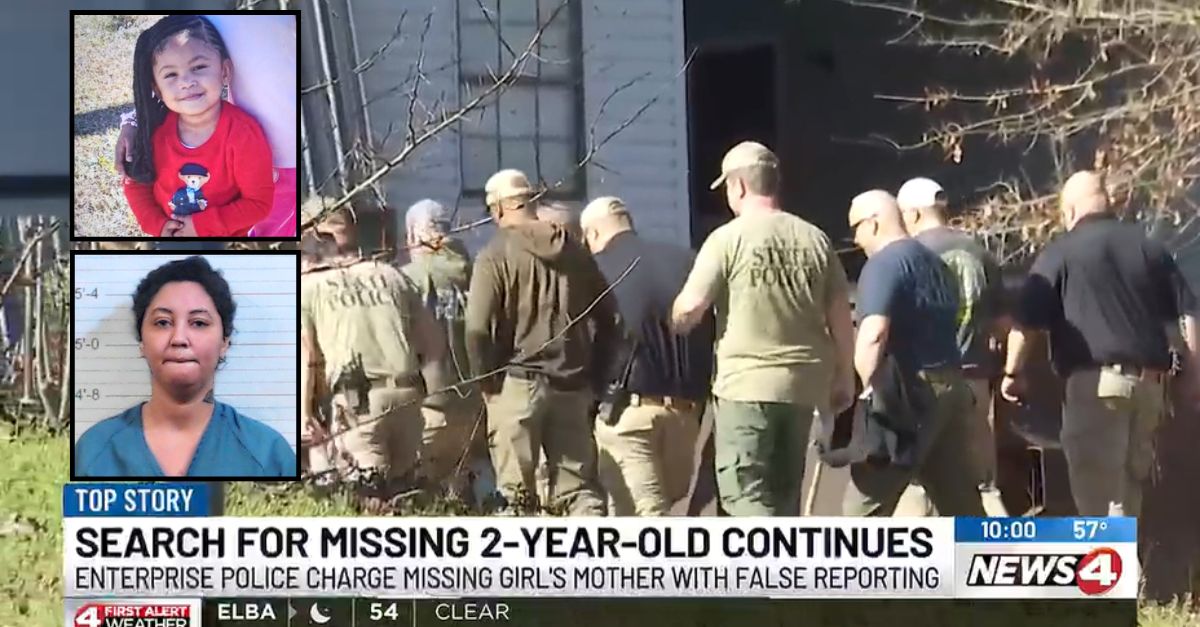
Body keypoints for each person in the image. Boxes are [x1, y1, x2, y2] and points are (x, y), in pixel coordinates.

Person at [671, 141, 855, 516]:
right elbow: (840, 316)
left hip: (747, 384)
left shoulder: (728, 238)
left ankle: (766, 569)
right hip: (804, 386)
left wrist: (675, 321)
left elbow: (691, 306)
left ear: (739, 186)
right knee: (785, 494)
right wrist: (844, 378)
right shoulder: (815, 239)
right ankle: (786, 568)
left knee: (744, 494)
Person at [1001, 171, 1199, 517]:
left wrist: (1013, 372)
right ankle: (1130, 569)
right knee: (1126, 494)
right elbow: (1188, 315)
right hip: (1149, 387)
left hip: (1097, 388)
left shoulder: (1059, 254)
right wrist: (1194, 374)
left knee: (1101, 504)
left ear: (1070, 210)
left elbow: (1027, 324)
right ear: (1108, 202)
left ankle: (1119, 571)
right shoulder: (1149, 247)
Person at [465, 169, 617, 515]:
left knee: (515, 496)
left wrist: (486, 383)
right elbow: (611, 318)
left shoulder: (495, 253)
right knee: (579, 492)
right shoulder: (575, 250)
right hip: (572, 385)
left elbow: (476, 330)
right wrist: (596, 378)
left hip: (516, 385)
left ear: (499, 209)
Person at [75, 256, 294, 478]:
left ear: (224, 342)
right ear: (141, 341)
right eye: (162, 323)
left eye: (199, 323)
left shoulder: (269, 455)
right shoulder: (94, 451)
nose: (179, 338)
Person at [842, 189, 985, 517]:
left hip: (910, 394)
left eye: (857, 227)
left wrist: (859, 398)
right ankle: (989, 564)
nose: (856, 238)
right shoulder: (936, 264)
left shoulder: (884, 265)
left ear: (874, 224)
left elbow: (874, 335)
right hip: (951, 388)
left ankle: (854, 569)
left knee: (862, 510)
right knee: (961, 504)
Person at [300, 196, 445, 506]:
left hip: (359, 406)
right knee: (408, 500)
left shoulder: (311, 288)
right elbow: (433, 344)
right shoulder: (391, 275)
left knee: (369, 503)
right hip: (407, 397)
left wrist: (305, 413)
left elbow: (309, 358)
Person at [580, 196, 714, 516]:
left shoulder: (596, 270)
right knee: (659, 507)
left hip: (627, 415)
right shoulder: (687, 260)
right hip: (685, 414)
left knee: (644, 517)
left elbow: (586, 340)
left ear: (593, 234)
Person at [116, 14, 297, 237]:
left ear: (224, 71)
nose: (186, 82)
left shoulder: (242, 134)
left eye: (199, 67)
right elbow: (137, 182)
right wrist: (157, 225)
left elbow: (257, 204)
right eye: (171, 74)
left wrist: (201, 227)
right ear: (157, 88)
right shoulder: (154, 129)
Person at [897, 177, 1008, 516]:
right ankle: (1003, 561)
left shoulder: (909, 255)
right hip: (974, 382)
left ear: (913, 215)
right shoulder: (981, 253)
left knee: (917, 485)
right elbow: (1003, 323)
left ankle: (915, 568)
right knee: (981, 486)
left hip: (924, 383)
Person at [400, 199, 489, 501]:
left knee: (422, 500)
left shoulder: (407, 280)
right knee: (463, 494)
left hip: (429, 407)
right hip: (475, 408)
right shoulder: (479, 273)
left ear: (413, 236)